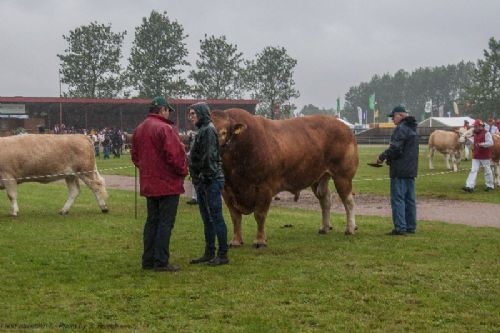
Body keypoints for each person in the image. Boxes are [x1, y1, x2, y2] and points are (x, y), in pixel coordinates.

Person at [131, 96, 188, 272]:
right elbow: (175, 157)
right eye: (167, 110)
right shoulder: (165, 128)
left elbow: (135, 157)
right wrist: (183, 171)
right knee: (165, 223)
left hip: (149, 183)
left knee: (152, 222)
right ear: (162, 109)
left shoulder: (139, 129)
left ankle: (148, 260)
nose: (168, 113)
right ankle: (161, 261)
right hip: (167, 184)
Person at [188, 102, 229, 266]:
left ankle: (223, 254)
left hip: (210, 180)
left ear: (202, 113)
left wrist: (203, 178)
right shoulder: (202, 131)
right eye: (189, 114)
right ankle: (209, 251)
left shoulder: (208, 131)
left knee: (216, 217)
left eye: (193, 113)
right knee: (207, 219)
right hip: (203, 181)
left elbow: (209, 159)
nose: (191, 117)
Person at [375, 105, 419, 236]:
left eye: (393, 117)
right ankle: (410, 226)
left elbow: (395, 148)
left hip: (399, 169)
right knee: (410, 199)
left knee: (398, 199)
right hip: (411, 169)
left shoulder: (401, 129)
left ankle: (400, 227)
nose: (392, 120)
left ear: (400, 115)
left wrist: (382, 157)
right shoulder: (413, 128)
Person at [462, 119, 494, 192]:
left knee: (487, 171)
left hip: (485, 156)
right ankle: (469, 186)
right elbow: (474, 142)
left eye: (476, 126)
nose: (475, 128)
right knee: (473, 170)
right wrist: (468, 141)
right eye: (474, 126)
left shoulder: (487, 133)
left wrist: (482, 144)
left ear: (481, 126)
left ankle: (490, 186)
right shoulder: (475, 134)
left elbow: (491, 143)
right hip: (476, 156)